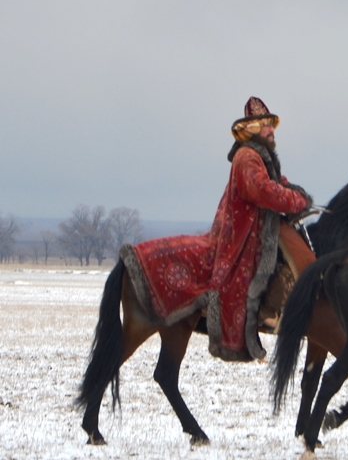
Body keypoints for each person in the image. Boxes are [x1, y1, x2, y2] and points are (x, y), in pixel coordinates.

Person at [120, 96, 313, 361]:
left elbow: (277, 183)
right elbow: (263, 190)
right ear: (254, 129)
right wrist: (298, 199)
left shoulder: (260, 158)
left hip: (256, 235)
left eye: (271, 125)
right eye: (266, 126)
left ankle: (267, 315)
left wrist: (293, 192)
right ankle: (263, 316)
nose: (271, 131)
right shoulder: (247, 157)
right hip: (241, 240)